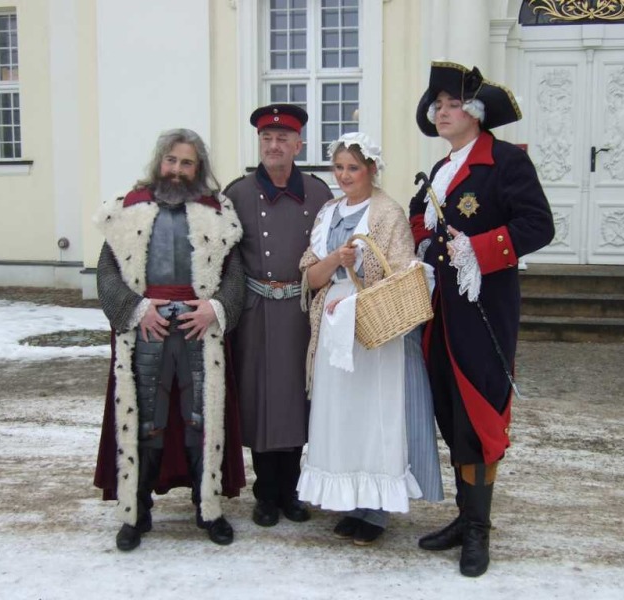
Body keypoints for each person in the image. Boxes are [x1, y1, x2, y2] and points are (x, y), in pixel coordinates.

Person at [410, 61, 555, 576]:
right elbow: (418, 216)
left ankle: (478, 532)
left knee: (479, 417)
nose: (442, 113)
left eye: (452, 105)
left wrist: (478, 249)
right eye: (437, 106)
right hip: (439, 315)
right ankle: (463, 516)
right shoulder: (441, 169)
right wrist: (422, 242)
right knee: (452, 415)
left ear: (474, 112)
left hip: (483, 312)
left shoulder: (506, 162)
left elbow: (538, 225)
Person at [92, 128, 246, 550]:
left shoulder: (218, 212)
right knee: (145, 419)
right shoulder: (129, 208)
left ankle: (208, 507)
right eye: (171, 160)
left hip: (200, 328)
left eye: (187, 163)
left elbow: (234, 274)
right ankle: (136, 511)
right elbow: (107, 272)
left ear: (199, 168)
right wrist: (136, 309)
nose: (177, 170)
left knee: (201, 418)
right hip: (146, 327)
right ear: (159, 161)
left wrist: (216, 308)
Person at [297, 132, 443, 546]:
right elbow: (310, 277)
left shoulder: (386, 212)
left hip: (374, 325)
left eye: (353, 168)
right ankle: (351, 502)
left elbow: (400, 272)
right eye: (339, 167)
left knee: (373, 415)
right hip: (332, 324)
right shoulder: (328, 211)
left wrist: (357, 288)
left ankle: (376, 509)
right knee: (341, 414)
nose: (344, 175)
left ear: (371, 169)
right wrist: (335, 260)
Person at [225, 104, 332, 527]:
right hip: (255, 312)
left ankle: (291, 491)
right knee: (259, 400)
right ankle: (265, 494)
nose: (274, 145)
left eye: (283, 138)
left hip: (301, 310)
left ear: (298, 145)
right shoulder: (237, 194)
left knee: (296, 399)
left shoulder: (319, 194)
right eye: (267, 138)